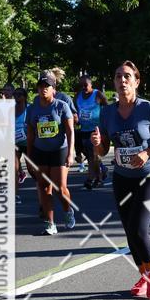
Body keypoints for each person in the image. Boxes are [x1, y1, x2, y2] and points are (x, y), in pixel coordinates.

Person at [91, 60, 150, 299]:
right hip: (122, 177)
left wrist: (149, 152)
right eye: (118, 76)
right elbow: (103, 148)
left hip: (149, 176)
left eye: (127, 76)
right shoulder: (107, 113)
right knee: (129, 231)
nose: (122, 80)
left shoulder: (148, 109)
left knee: (139, 228)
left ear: (137, 82)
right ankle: (144, 273)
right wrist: (98, 145)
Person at [26, 71, 75, 234]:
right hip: (40, 151)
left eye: (46, 86)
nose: (43, 89)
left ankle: (68, 211)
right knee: (43, 186)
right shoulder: (33, 109)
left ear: (53, 89)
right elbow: (31, 133)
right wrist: (29, 155)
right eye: (40, 86)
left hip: (59, 150)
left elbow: (70, 131)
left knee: (60, 188)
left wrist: (71, 152)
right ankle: (50, 223)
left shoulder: (61, 106)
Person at [75, 74, 107, 189]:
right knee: (89, 156)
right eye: (81, 85)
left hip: (96, 129)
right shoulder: (78, 96)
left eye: (86, 85)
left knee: (93, 155)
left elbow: (107, 107)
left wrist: (105, 122)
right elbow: (75, 110)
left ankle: (90, 178)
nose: (83, 87)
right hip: (84, 129)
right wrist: (76, 118)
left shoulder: (97, 94)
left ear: (91, 84)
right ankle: (100, 174)